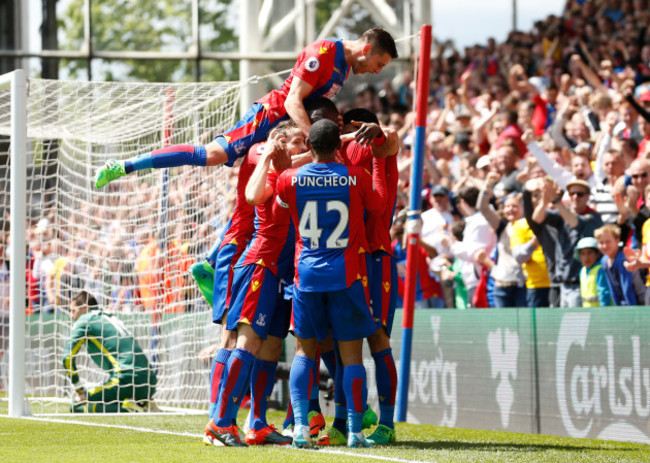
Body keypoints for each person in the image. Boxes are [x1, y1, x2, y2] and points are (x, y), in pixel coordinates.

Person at [94, 29, 397, 188]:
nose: (376, 71)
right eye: (379, 64)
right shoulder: (324, 52)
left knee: (268, 185)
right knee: (211, 155)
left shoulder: (344, 68)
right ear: (367, 49)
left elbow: (316, 105)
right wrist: (317, 138)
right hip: (271, 116)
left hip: (288, 129)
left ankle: (214, 262)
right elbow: (292, 100)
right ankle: (124, 165)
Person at [276, 119, 387, 449]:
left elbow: (279, 215)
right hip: (346, 275)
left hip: (306, 276)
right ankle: (354, 432)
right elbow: (379, 205)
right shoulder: (354, 176)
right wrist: (379, 161)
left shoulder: (289, 179)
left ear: (308, 146)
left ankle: (299, 427)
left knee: (303, 353)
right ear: (338, 147)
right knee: (352, 356)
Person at [62, 291, 158, 413]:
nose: (71, 316)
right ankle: (142, 402)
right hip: (149, 381)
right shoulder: (110, 317)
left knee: (77, 405)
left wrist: (79, 390)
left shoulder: (84, 320)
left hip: (126, 378)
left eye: (73, 311)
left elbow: (67, 358)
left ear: (84, 308)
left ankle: (131, 410)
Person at [595, 224, 644, 306]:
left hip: (638, 302)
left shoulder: (622, 259)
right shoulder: (604, 260)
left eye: (608, 242)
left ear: (617, 241)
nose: (605, 246)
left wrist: (631, 311)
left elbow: (627, 288)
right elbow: (612, 289)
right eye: (601, 242)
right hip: (624, 304)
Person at [575, 237, 611, 307]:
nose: (586, 257)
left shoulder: (600, 269)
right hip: (587, 312)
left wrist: (604, 311)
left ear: (597, 254)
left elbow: (604, 292)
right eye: (582, 254)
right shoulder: (582, 271)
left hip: (600, 313)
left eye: (589, 253)